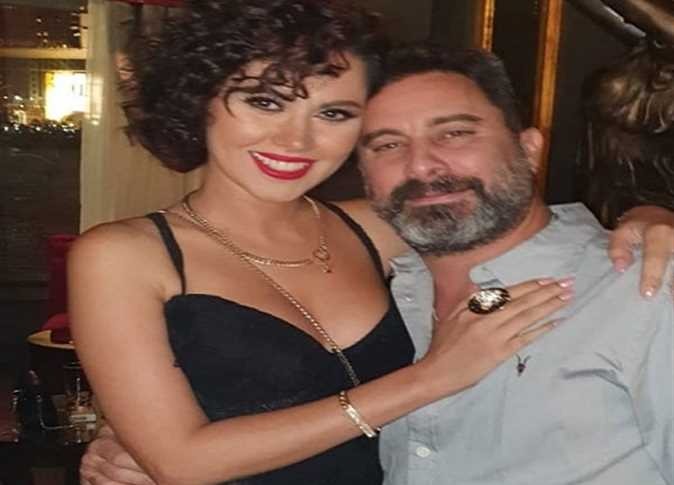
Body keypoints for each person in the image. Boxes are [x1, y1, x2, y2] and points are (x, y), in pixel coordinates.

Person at [74, 3, 674, 484]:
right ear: (200, 100)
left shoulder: (381, 228)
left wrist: (649, 214)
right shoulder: (123, 255)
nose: (296, 139)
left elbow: (502, 212)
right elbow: (180, 461)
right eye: (264, 101)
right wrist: (431, 378)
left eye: (334, 114)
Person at [356, 45, 672, 484]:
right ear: (364, 175)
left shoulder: (643, 288)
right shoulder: (372, 303)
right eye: (388, 145)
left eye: (454, 134)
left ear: (529, 149)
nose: (422, 165)